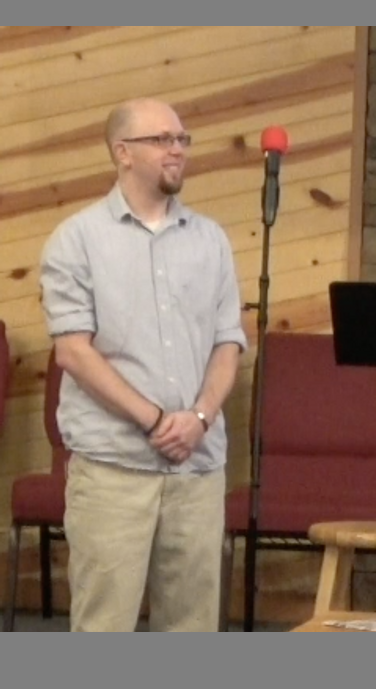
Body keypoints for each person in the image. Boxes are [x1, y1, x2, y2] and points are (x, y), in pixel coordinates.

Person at [39, 98, 246, 632]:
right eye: (162, 139)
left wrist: (198, 418)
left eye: (182, 139)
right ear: (122, 152)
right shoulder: (77, 240)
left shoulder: (211, 240)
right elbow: (74, 352)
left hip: (196, 468)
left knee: (192, 623)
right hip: (114, 468)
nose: (177, 150)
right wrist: (156, 420)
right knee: (104, 622)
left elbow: (228, 343)